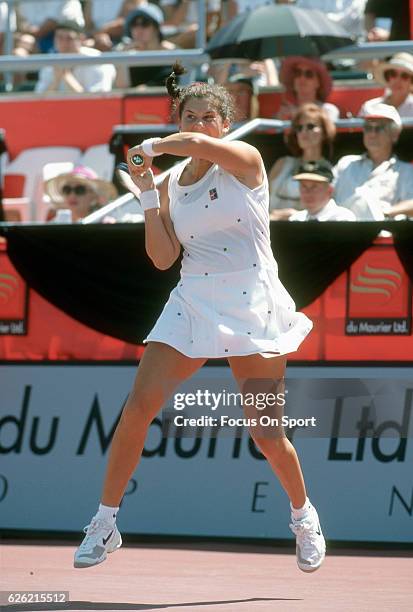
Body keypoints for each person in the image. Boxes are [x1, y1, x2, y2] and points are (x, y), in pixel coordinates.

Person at [74, 61, 326, 573]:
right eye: (191, 115)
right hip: (192, 301)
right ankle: (104, 522)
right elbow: (164, 257)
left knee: (267, 434)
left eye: (210, 117)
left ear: (225, 125)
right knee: (138, 405)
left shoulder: (246, 160)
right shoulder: (172, 183)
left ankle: (303, 516)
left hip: (251, 302)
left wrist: (163, 145)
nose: (201, 124)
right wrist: (148, 193)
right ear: (179, 116)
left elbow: (199, 148)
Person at [334, 103, 413, 220]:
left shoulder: (406, 171)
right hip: (339, 233)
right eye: (368, 128)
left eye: (379, 128)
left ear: (394, 135)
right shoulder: (345, 164)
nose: (372, 134)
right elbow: (322, 192)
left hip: (382, 233)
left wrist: (385, 212)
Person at [268, 103, 336, 219]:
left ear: (324, 132)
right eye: (299, 128)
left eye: (310, 126)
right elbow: (262, 199)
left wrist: (294, 216)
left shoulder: (331, 171)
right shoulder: (282, 164)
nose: (304, 131)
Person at [35, 20, 116, 93]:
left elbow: (95, 102)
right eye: (59, 38)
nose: (64, 43)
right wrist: (56, 81)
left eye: (69, 38)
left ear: (81, 39)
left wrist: (66, 76)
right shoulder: (51, 61)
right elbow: (40, 100)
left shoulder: (96, 60)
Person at [115, 4, 177, 89]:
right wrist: (123, 58)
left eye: (145, 23)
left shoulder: (174, 53)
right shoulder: (127, 55)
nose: (139, 29)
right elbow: (122, 89)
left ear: (156, 28)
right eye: (134, 24)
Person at [44, 165, 118, 222]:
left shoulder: (104, 223)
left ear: (94, 195)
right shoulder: (59, 221)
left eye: (79, 190)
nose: (72, 195)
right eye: (67, 190)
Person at [277, 56, 340, 122]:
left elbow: (327, 129)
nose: (302, 78)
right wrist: (278, 120)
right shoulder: (285, 111)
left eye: (309, 74)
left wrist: (296, 115)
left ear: (318, 83)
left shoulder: (328, 110)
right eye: (298, 73)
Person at [289, 160, 356, 221]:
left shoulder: (342, 219)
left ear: (329, 191)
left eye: (314, 187)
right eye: (304, 186)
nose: (308, 192)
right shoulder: (296, 219)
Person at [16, 0, 84, 53]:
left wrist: (28, 32)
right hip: (37, 38)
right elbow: (22, 23)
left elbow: (50, 24)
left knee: (64, 41)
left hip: (66, 37)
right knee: (20, 50)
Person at [358, 53, 413, 118]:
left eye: (405, 76)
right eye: (393, 74)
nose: (397, 80)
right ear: (387, 76)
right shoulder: (369, 107)